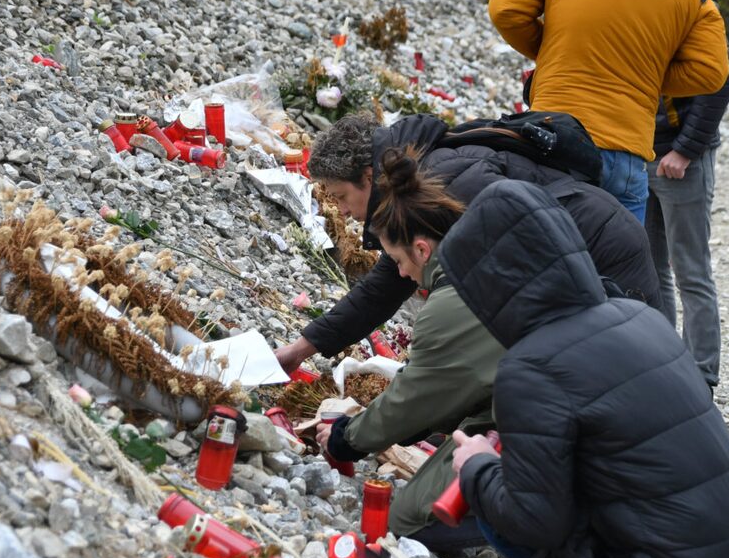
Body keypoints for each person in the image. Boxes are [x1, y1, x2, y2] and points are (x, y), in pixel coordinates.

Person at [425, 179, 729, 558]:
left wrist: (476, 467)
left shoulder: (531, 367)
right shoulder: (639, 316)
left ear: (490, 285)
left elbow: (534, 521)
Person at [274, 111, 659, 373]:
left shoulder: (447, 182)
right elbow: (387, 285)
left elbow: (509, 284)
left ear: (369, 177)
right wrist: (302, 349)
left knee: (621, 370)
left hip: (602, 249)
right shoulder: (409, 182)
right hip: (574, 251)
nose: (342, 211)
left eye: (341, 196)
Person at [488, 0, 729, 223]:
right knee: (619, 250)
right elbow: (712, 72)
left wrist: (557, 53)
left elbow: (505, 9)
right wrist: (641, 75)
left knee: (545, 243)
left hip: (552, 133)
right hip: (625, 149)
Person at [314, 148, 500, 551]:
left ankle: (530, 524)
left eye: (398, 260)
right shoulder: (483, 261)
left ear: (422, 249)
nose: (399, 273)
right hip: (529, 401)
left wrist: (346, 438)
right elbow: (448, 388)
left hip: (533, 422)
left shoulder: (450, 303)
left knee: (407, 519)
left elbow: (414, 398)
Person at [646, 44, 729, 391]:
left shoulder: (694, 13)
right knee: (649, 268)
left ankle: (700, 380)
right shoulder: (630, 15)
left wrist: (685, 149)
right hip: (637, 152)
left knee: (691, 272)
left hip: (683, 162)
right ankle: (659, 364)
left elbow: (723, 77)